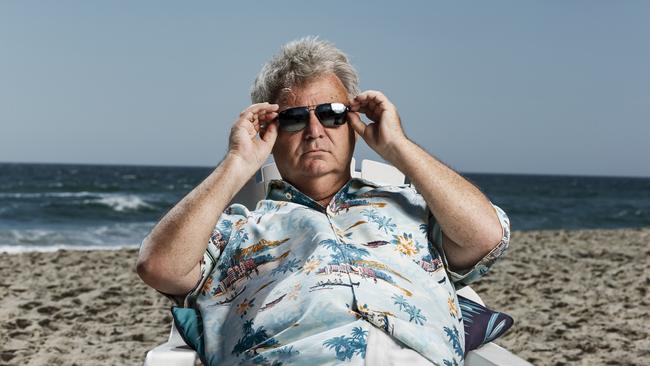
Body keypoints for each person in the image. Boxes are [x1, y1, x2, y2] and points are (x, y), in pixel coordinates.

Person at [137, 36, 510, 366]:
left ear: (353, 122)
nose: (315, 132)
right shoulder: (238, 229)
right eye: (295, 119)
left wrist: (398, 146)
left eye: (332, 115)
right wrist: (239, 162)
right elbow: (158, 267)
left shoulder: (413, 209)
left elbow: (485, 237)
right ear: (270, 130)